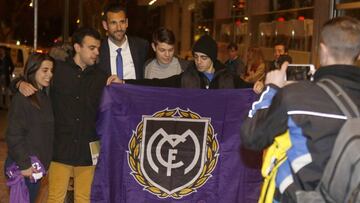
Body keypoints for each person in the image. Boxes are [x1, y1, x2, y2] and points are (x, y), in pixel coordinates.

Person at [240, 16, 360, 202]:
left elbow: (251, 136)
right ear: (358, 55)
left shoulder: (296, 97)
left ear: (322, 50)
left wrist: (271, 90)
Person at [15, 27, 107, 202]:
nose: (96, 52)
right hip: (59, 150)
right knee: (55, 198)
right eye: (92, 48)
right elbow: (32, 76)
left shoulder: (102, 77)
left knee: (84, 199)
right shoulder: (57, 71)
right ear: (78, 47)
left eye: (98, 48)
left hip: (87, 152)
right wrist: (18, 83)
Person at [108, 34, 253, 90]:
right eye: (196, 57)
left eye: (204, 58)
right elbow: (157, 83)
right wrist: (125, 82)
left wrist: (259, 87)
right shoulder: (188, 78)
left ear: (213, 58)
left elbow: (249, 89)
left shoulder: (228, 78)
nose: (198, 62)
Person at [5, 53, 55, 203]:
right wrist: (25, 165)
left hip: (36, 167)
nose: (49, 75)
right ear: (33, 70)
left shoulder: (43, 96)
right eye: (44, 70)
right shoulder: (23, 98)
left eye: (51, 70)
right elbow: (14, 134)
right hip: (25, 167)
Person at [99, 2, 149, 79]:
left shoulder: (141, 46)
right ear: (105, 25)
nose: (119, 28)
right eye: (113, 23)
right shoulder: (98, 50)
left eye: (122, 22)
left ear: (127, 23)